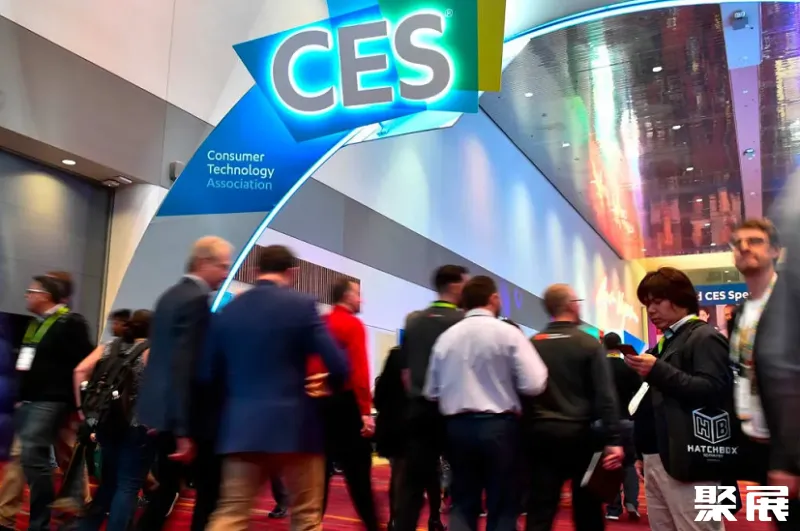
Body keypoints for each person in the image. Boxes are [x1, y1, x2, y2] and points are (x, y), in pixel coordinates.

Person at [201, 244, 349, 531]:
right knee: (306, 518)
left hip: (241, 429)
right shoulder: (302, 305)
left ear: (256, 271)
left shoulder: (229, 311)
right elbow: (338, 364)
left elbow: (208, 373)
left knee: (231, 514)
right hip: (296, 430)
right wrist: (329, 385)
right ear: (292, 272)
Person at [425, 275, 548, 531]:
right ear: (493, 298)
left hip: (457, 429)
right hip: (499, 428)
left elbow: (431, 391)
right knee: (502, 505)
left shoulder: (446, 338)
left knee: (462, 504)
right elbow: (535, 383)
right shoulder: (508, 334)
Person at [134, 236, 233, 531]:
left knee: (167, 491)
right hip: (189, 420)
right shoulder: (196, 302)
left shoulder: (169, 296)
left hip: (163, 415)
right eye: (223, 266)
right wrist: (182, 432)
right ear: (203, 262)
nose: (226, 274)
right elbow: (184, 367)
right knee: (209, 493)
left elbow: (158, 360)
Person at [629, 267, 733, 531]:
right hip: (659, 456)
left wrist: (657, 370)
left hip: (690, 459)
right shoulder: (666, 343)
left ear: (680, 298)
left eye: (657, 301)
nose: (651, 310)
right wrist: (641, 452)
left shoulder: (704, 337)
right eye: (647, 304)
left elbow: (713, 389)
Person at [523, 284, 622, 531]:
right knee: (588, 510)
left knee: (540, 510)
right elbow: (605, 395)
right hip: (581, 436)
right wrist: (614, 439)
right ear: (570, 305)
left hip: (541, 435)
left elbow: (523, 392)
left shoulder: (532, 344)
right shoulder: (588, 343)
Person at [732, 217, 800, 527]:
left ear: (775, 251)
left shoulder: (791, 303)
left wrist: (789, 459)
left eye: (755, 241)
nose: (744, 247)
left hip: (791, 448)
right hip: (758, 442)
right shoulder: (740, 313)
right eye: (738, 243)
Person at [12, 275, 94, 531]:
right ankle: (61, 514)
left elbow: (86, 362)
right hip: (31, 400)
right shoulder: (35, 325)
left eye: (31, 290)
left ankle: (43, 521)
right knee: (32, 458)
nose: (27, 295)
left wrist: (78, 404)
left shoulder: (70, 323)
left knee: (32, 454)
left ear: (46, 295)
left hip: (53, 401)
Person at [395, 265, 469, 531]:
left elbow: (405, 373)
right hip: (453, 413)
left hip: (418, 411)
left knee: (412, 486)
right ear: (455, 286)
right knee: (463, 484)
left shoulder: (414, 322)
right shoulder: (463, 321)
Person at [306, 278, 379, 531]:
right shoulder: (352, 325)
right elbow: (359, 371)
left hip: (317, 404)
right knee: (359, 477)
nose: (361, 300)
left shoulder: (321, 323)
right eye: (358, 294)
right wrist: (365, 412)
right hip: (346, 405)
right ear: (347, 296)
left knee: (319, 478)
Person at [74, 310, 153, 531]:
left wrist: (82, 409)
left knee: (108, 482)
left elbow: (80, 370)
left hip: (106, 420)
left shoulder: (109, 346)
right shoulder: (152, 350)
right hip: (137, 423)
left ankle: (87, 527)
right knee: (128, 485)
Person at [602, 332, 641, 521]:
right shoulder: (628, 367)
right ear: (620, 346)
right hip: (627, 420)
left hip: (605, 422)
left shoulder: (599, 368)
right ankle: (632, 502)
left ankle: (613, 508)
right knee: (629, 463)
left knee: (610, 464)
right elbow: (640, 392)